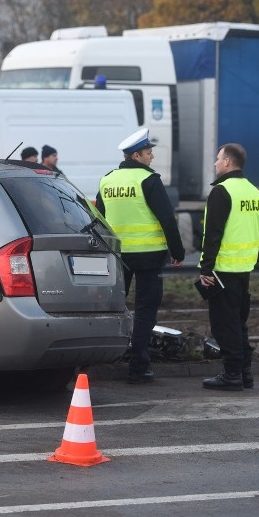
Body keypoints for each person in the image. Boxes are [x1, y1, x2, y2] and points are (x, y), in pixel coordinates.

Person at [96, 128, 184, 384]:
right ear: (136, 155)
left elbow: (99, 219)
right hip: (149, 256)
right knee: (145, 311)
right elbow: (167, 218)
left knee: (113, 307)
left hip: (118, 256)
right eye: (148, 153)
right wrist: (177, 252)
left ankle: (107, 356)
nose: (152, 157)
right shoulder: (149, 180)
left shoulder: (107, 180)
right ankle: (138, 367)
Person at [199, 143, 259, 391]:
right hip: (243, 269)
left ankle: (231, 375)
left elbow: (213, 234)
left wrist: (205, 269)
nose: (215, 163)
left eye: (218, 159)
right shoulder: (253, 192)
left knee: (223, 324)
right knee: (238, 322)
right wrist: (253, 255)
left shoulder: (222, 191)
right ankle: (245, 372)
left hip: (223, 269)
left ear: (228, 162)